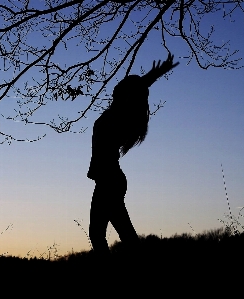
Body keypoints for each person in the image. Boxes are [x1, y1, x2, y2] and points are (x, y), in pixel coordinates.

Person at [88, 54, 179, 256]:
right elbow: (136, 87)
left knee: (119, 233)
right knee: (99, 233)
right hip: (107, 179)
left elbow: (136, 89)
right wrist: (154, 74)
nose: (117, 88)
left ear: (126, 95)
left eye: (122, 88)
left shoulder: (122, 115)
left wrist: (150, 78)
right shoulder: (116, 112)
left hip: (110, 180)